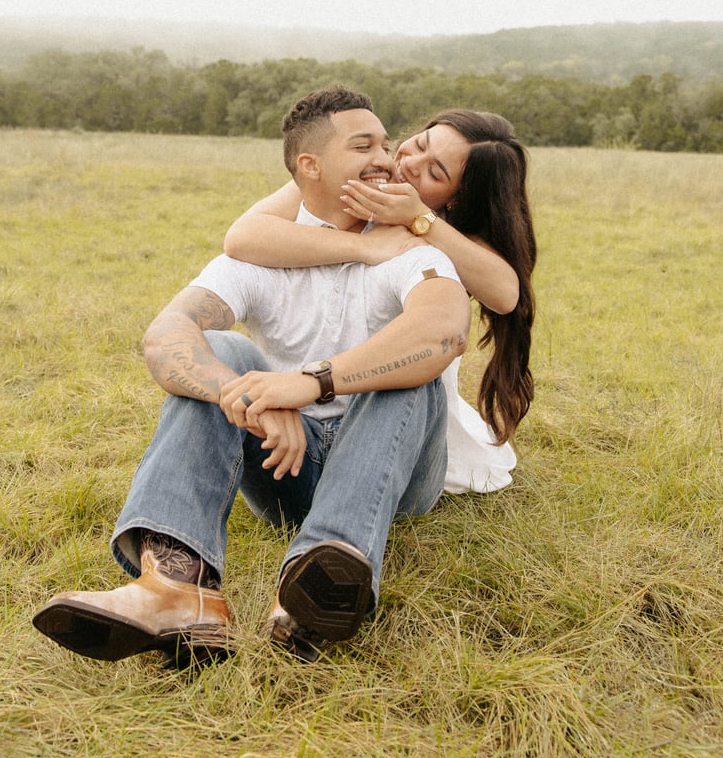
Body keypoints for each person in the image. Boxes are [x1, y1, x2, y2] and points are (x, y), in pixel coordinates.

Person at [33, 86, 471, 666]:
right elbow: (166, 336)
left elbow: (442, 330)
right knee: (218, 349)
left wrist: (310, 383)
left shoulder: (409, 247)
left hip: (395, 469)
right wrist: (250, 398)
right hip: (288, 463)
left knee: (409, 373)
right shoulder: (260, 255)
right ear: (308, 166)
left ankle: (320, 581)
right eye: (364, 145)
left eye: (388, 145)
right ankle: (176, 586)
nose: (388, 159)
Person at [223, 108, 536, 492]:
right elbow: (242, 237)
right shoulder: (354, 180)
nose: (407, 164)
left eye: (434, 173)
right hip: (304, 395)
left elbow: (506, 294)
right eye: (418, 144)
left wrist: (420, 218)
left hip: (393, 404)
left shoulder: (442, 232)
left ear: (456, 198)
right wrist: (362, 246)